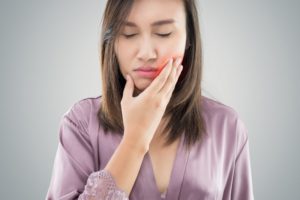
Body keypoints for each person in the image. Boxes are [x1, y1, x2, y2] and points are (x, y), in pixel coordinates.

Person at [46, 0, 254, 199]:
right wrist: (134, 141)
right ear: (112, 42)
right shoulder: (81, 123)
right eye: (129, 34)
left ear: (189, 39)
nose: (146, 53)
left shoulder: (227, 127)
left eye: (163, 33)